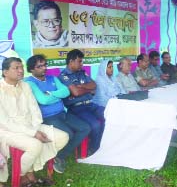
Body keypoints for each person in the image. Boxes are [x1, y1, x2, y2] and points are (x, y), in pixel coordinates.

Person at [0, 57, 68, 186]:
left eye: (21, 68)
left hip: (30, 125)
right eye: (16, 68)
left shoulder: (25, 85)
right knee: (35, 145)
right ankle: (21, 173)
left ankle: (29, 168)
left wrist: (36, 128)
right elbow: (5, 122)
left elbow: (34, 109)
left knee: (62, 137)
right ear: (5, 72)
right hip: (8, 131)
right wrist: (33, 133)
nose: (20, 71)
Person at [25, 55, 90, 174]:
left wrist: (50, 93)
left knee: (85, 128)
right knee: (68, 134)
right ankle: (58, 157)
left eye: (45, 65)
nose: (44, 68)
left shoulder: (52, 78)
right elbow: (42, 100)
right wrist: (56, 95)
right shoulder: (29, 82)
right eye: (39, 66)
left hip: (62, 113)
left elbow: (65, 92)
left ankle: (60, 156)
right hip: (48, 117)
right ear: (31, 69)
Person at [58, 49, 105, 153]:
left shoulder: (82, 73)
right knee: (95, 124)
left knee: (109, 115)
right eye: (79, 61)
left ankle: (104, 144)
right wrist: (88, 90)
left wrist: (81, 86)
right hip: (77, 108)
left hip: (90, 104)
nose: (82, 64)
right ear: (71, 61)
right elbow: (76, 93)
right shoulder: (63, 76)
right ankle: (93, 149)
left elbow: (94, 85)